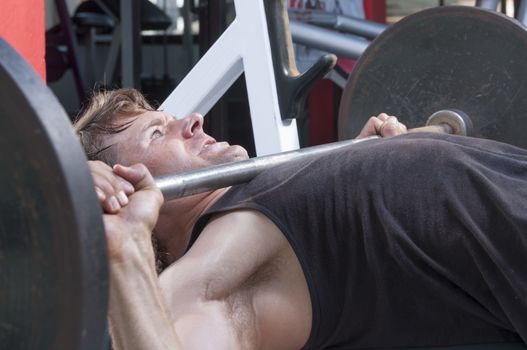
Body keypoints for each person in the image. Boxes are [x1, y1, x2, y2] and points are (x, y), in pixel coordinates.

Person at [75, 88, 527, 350]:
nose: (192, 121)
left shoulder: (266, 196)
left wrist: (362, 173)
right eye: (158, 132)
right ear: (125, 193)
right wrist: (125, 249)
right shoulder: (217, 260)